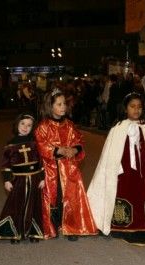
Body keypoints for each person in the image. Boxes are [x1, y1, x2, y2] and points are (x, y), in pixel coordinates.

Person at [87, 92, 145, 246]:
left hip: (143, 172)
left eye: (139, 107)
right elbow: (110, 155)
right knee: (124, 197)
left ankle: (142, 230)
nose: (136, 110)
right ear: (125, 109)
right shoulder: (118, 128)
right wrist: (115, 170)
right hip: (123, 172)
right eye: (132, 107)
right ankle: (121, 228)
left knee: (142, 197)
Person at [34, 88, 98, 241]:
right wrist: (58, 150)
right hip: (52, 169)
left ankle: (72, 226)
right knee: (54, 198)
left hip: (69, 168)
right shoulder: (43, 126)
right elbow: (40, 145)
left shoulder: (69, 125)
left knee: (70, 197)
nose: (63, 107)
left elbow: (79, 140)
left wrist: (75, 150)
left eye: (64, 104)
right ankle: (53, 226)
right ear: (51, 106)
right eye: (59, 104)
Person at [0, 113, 45, 243]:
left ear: (32, 127)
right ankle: (15, 232)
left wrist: (43, 178)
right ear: (17, 124)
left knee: (34, 205)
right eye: (23, 124)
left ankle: (33, 231)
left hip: (34, 179)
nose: (25, 127)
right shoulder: (11, 145)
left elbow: (41, 161)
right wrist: (6, 180)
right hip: (18, 180)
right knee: (16, 205)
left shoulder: (34, 142)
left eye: (29, 125)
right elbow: (6, 164)